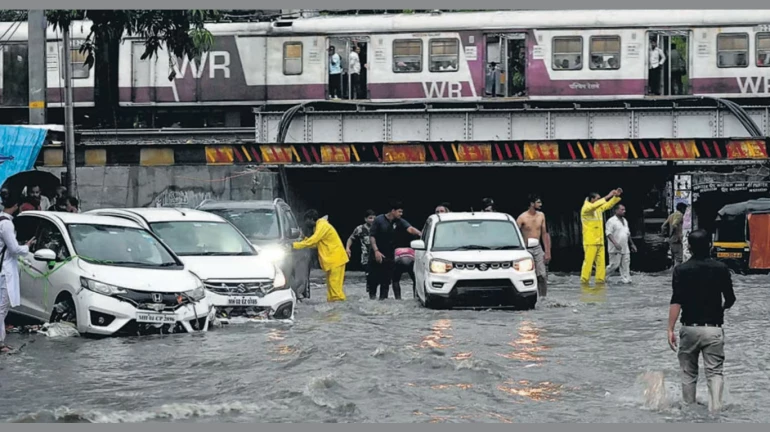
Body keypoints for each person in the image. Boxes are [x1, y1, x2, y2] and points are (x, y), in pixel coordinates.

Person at [667, 229, 735, 412]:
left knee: (688, 373)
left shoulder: (680, 270)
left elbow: (676, 301)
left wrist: (670, 329)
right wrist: (721, 309)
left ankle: (689, 410)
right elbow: (730, 299)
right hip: (713, 328)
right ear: (710, 245)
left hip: (689, 328)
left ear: (689, 247)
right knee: (715, 372)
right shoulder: (721, 268)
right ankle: (716, 409)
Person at [0, 191, 36, 353]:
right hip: (5, 271)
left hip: (3, 268)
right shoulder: (6, 224)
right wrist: (26, 246)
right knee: (2, 308)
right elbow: (14, 249)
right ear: (15, 206)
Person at [368, 200, 421, 300]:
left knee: (386, 282)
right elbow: (372, 236)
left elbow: (410, 229)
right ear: (393, 211)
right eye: (399, 211)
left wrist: (421, 234)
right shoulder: (379, 220)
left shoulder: (399, 221)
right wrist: (376, 251)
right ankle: (372, 300)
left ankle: (383, 302)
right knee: (373, 280)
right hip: (376, 253)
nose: (401, 214)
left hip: (389, 254)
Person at [292, 210, 348, 302]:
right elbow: (316, 244)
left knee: (335, 288)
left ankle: (339, 307)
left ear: (311, 219)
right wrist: (304, 239)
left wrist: (294, 245)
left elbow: (313, 240)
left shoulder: (322, 225)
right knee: (331, 287)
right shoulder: (319, 227)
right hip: (332, 260)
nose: (305, 223)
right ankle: (333, 307)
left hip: (336, 259)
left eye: (306, 220)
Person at [580, 189, 623, 284]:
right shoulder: (586, 208)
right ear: (592, 199)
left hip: (599, 240)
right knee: (588, 263)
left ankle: (600, 281)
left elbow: (608, 205)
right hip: (590, 241)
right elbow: (593, 206)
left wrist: (615, 197)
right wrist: (608, 195)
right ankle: (584, 281)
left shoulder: (598, 209)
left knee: (601, 264)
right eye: (598, 199)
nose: (600, 200)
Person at [516, 194, 551, 297]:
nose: (541, 204)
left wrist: (547, 251)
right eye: (538, 202)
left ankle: (543, 298)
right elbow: (515, 234)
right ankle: (529, 296)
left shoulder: (541, 215)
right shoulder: (522, 217)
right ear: (532, 204)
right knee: (527, 275)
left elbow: (544, 233)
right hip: (526, 249)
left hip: (537, 247)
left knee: (542, 275)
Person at [605, 204, 637, 284]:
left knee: (626, 265)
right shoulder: (611, 221)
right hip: (615, 248)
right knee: (614, 265)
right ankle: (602, 276)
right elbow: (608, 233)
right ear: (616, 210)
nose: (624, 211)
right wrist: (615, 243)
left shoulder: (625, 221)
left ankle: (626, 279)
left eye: (624, 209)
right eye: (622, 210)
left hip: (625, 247)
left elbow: (627, 233)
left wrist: (632, 244)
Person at [346, 209, 376, 292]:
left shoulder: (378, 227)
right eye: (370, 218)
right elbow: (351, 238)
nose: (372, 220)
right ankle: (370, 289)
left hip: (377, 254)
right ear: (365, 219)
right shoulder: (360, 229)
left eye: (374, 218)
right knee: (369, 274)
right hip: (366, 256)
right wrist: (348, 248)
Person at [662, 202, 688, 267]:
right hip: (677, 240)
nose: (685, 211)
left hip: (671, 240)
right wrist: (678, 235)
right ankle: (676, 272)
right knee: (679, 259)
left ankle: (672, 271)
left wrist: (666, 236)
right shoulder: (680, 215)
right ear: (682, 209)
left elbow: (663, 226)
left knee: (673, 259)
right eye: (685, 209)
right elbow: (674, 224)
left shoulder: (671, 215)